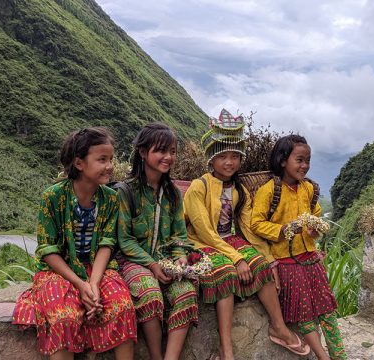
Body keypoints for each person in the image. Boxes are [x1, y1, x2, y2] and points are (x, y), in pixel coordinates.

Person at [183, 109, 310, 360]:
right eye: (223, 157)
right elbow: (204, 231)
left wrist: (268, 258)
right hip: (199, 242)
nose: (229, 162)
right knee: (226, 273)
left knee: (261, 268)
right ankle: (226, 348)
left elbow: (250, 229)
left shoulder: (239, 189)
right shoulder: (200, 186)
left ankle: (278, 327)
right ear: (212, 159)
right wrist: (237, 258)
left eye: (234, 156)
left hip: (228, 240)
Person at [13, 127, 136, 359]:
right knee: (64, 317)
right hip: (58, 271)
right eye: (102, 159)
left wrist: (94, 284)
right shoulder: (53, 197)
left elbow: (106, 244)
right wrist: (81, 285)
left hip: (96, 268)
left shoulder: (110, 198)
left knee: (123, 308)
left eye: (111, 159)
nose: (110, 165)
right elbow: (48, 250)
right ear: (79, 163)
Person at [251, 134, 347, 360]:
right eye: (299, 160)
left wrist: (314, 230)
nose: (304, 166)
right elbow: (256, 223)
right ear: (283, 160)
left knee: (327, 311)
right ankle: (323, 356)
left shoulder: (309, 189)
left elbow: (314, 216)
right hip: (287, 262)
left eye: (308, 160)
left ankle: (340, 355)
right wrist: (283, 230)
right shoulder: (269, 190)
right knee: (304, 316)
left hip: (311, 258)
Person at [116, 123, 198, 360]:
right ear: (143, 152)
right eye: (161, 150)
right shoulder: (126, 191)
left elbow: (179, 235)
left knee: (186, 293)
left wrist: (180, 257)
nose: (168, 157)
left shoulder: (172, 193)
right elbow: (125, 239)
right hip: (133, 261)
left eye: (172, 151)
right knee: (150, 293)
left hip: (166, 260)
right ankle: (156, 356)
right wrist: (152, 264)